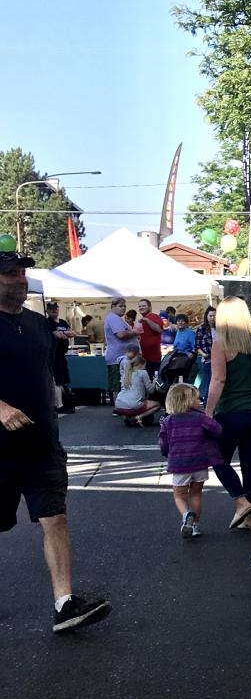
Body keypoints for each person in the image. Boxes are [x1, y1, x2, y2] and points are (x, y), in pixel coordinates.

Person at [0, 246, 111, 633]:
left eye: (20, 272)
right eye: (9, 273)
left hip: (41, 446)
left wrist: (52, 427)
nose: (18, 279)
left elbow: (43, 378)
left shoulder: (36, 325)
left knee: (55, 519)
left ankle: (65, 604)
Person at [205, 296, 251, 533]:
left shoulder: (220, 345)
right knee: (250, 465)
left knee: (217, 458)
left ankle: (240, 501)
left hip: (231, 411)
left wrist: (207, 411)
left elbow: (218, 379)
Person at [159, 382, 223, 539]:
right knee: (196, 494)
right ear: (189, 401)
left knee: (179, 496)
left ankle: (186, 514)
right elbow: (218, 430)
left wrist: (167, 454)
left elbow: (163, 444)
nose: (199, 401)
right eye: (196, 398)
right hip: (200, 463)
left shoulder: (168, 421)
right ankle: (195, 526)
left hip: (179, 464)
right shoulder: (200, 418)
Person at [102, 297, 140, 401]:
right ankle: (118, 407)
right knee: (118, 384)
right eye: (120, 306)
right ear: (113, 306)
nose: (123, 308)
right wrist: (135, 332)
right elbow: (121, 334)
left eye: (124, 306)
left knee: (123, 383)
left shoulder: (117, 318)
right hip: (118, 358)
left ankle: (121, 406)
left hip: (122, 357)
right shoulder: (113, 318)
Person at [114, 350, 161, 425]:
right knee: (158, 405)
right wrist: (155, 380)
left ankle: (127, 417)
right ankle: (139, 417)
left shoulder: (126, 374)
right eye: (144, 367)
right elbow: (151, 390)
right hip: (134, 405)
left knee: (129, 401)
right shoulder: (142, 373)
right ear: (140, 365)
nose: (145, 368)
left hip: (119, 404)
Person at [45, 302, 74, 414]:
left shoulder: (62, 322)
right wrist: (65, 333)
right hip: (53, 355)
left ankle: (62, 403)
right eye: (51, 309)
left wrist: (63, 333)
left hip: (62, 354)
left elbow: (73, 333)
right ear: (47, 311)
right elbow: (59, 335)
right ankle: (59, 405)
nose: (54, 311)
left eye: (56, 309)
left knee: (62, 380)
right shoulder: (47, 322)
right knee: (57, 380)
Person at [135, 298, 165, 375]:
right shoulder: (141, 320)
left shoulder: (154, 316)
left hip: (153, 358)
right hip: (143, 358)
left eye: (144, 306)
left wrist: (147, 320)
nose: (141, 308)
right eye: (140, 306)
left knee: (152, 381)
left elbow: (159, 329)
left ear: (150, 307)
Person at [195, 306, 217, 403]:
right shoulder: (202, 329)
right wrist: (203, 354)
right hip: (208, 361)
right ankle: (207, 407)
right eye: (211, 316)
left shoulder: (220, 329)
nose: (213, 318)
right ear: (206, 316)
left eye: (215, 316)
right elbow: (196, 345)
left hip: (219, 360)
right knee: (209, 384)